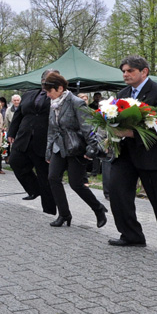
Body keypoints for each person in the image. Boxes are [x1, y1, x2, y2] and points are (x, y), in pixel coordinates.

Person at [106, 55, 157, 254]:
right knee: (117, 192)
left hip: (154, 157)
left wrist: (131, 133)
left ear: (144, 72)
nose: (125, 74)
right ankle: (131, 235)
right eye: (123, 71)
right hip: (125, 155)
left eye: (130, 71)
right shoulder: (122, 93)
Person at [42, 71, 107, 228]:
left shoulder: (76, 102)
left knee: (76, 184)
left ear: (59, 88)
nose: (47, 95)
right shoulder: (53, 104)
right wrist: (49, 150)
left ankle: (98, 209)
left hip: (75, 148)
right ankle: (64, 215)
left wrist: (92, 148)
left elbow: (88, 127)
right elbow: (52, 129)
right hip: (59, 147)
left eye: (49, 91)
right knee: (52, 178)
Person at [8, 72, 57, 214]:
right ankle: (34, 190)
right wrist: (11, 132)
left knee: (45, 177)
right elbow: (18, 115)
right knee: (15, 162)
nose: (46, 82)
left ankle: (49, 211)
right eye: (45, 79)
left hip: (44, 141)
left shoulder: (58, 97)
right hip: (24, 138)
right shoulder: (29, 94)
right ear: (41, 80)